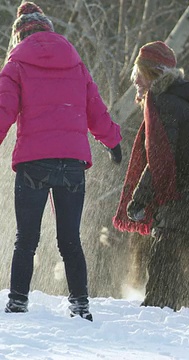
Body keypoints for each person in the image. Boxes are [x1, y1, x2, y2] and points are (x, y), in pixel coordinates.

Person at [0, 2, 122, 321]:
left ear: (20, 34)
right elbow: (94, 104)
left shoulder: (17, 61)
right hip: (72, 163)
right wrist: (112, 140)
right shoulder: (73, 59)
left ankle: (17, 303)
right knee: (70, 238)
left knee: (26, 239)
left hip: (34, 164)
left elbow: (3, 111)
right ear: (47, 28)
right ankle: (80, 305)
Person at [112, 41, 189, 310]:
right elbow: (161, 158)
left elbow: (160, 159)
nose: (135, 82)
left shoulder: (164, 103)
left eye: (138, 75)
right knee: (171, 234)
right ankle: (174, 303)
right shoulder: (168, 101)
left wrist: (139, 199)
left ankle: (160, 305)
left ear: (152, 73)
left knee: (167, 235)